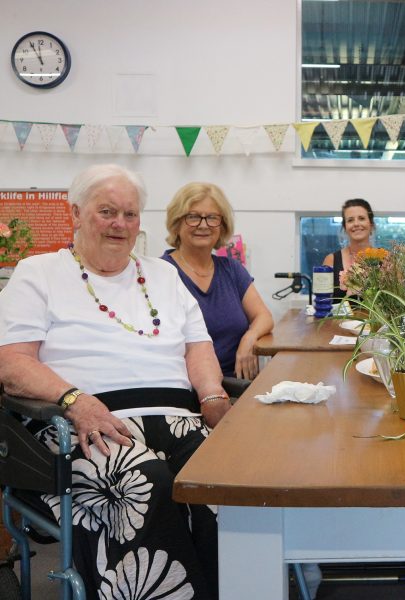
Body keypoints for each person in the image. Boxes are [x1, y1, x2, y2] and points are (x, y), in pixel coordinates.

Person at [0, 164, 230, 600]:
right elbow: (11, 362)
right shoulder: (38, 272)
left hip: (178, 417)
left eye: (130, 214)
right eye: (107, 211)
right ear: (76, 214)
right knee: (145, 482)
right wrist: (75, 401)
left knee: (224, 479)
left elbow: (198, 348)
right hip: (84, 422)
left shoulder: (162, 275)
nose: (119, 224)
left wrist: (214, 396)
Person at [162, 182, 274, 381]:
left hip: (236, 384)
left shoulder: (231, 269)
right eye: (193, 217)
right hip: (187, 388)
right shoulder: (162, 273)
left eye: (212, 217)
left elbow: (264, 316)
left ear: (222, 226)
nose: (203, 225)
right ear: (177, 222)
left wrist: (249, 338)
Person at [323, 198, 375, 302]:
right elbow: (323, 301)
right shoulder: (330, 260)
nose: (356, 224)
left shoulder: (387, 259)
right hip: (339, 319)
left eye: (361, 218)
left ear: (371, 224)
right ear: (345, 227)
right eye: (350, 220)